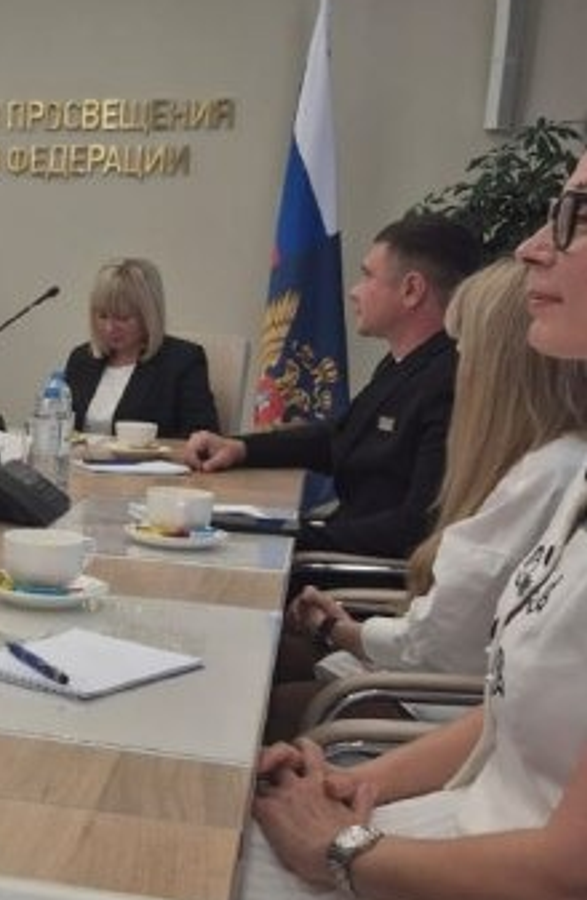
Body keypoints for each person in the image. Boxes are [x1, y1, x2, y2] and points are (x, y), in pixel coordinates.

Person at [239, 152, 587, 900]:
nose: (532, 246)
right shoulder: (577, 483)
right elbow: (506, 712)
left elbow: (567, 871)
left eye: (578, 216)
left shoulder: (556, 470)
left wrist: (341, 849)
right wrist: (352, 786)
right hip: (457, 821)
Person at [263, 259, 587, 741]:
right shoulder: (544, 463)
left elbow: (438, 643)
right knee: (261, 655)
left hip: (433, 703)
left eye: (463, 349)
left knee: (253, 700)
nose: (456, 368)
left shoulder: (545, 475)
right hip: (420, 675)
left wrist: (335, 629)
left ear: (500, 367)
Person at [183, 215, 482, 557]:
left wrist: (290, 537)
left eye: (368, 276)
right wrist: (240, 448)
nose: (354, 291)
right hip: (338, 543)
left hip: (358, 568)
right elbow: (340, 438)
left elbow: (414, 528)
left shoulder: (449, 383)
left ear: (411, 290)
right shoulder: (403, 364)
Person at [61, 257, 219, 438]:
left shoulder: (182, 361)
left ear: (149, 315)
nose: (110, 328)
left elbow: (203, 439)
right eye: (103, 316)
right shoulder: (82, 359)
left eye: (123, 318)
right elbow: (60, 427)